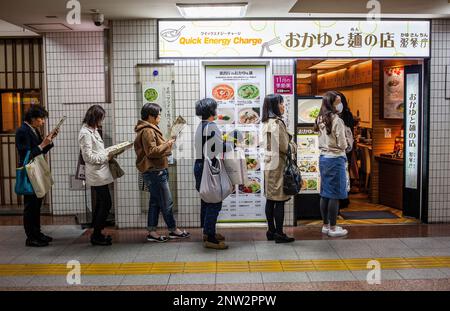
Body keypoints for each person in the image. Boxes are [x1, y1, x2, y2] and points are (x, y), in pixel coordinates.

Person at [134, 103, 190, 242]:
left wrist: (167, 143)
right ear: (150, 116)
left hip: (156, 171)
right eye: (158, 114)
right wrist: (168, 143)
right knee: (167, 202)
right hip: (155, 172)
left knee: (155, 203)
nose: (160, 117)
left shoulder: (150, 129)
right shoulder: (148, 131)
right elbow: (152, 152)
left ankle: (152, 232)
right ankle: (173, 230)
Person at [15, 105, 58, 247]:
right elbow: (26, 155)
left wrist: (49, 140)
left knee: (37, 203)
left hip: (37, 170)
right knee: (30, 205)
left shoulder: (33, 129)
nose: (43, 122)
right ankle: (31, 237)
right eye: (41, 119)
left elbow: (41, 150)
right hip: (30, 172)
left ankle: (37, 233)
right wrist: (42, 144)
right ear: (33, 119)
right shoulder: (22, 131)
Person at [194, 98, 233, 250]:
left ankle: (207, 232)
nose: (217, 111)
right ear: (212, 111)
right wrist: (233, 144)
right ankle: (210, 237)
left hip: (199, 165)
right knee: (214, 202)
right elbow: (217, 148)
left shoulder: (201, 125)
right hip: (208, 168)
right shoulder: (211, 126)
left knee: (206, 200)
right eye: (216, 108)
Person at [261, 94, 296, 243]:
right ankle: (280, 234)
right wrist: (294, 146)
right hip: (278, 166)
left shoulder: (266, 122)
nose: (283, 106)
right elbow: (285, 147)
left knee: (270, 199)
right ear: (275, 106)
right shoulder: (277, 123)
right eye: (281, 103)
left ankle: (271, 231)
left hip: (269, 164)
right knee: (280, 200)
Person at [314, 91, 349, 237]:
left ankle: (325, 225)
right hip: (335, 159)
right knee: (334, 194)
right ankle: (333, 228)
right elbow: (342, 144)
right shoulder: (337, 120)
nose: (340, 104)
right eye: (338, 101)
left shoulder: (320, 119)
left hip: (324, 158)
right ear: (332, 103)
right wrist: (346, 145)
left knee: (325, 193)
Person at [78, 105, 114, 246]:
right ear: (95, 117)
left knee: (101, 203)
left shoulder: (93, 130)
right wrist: (106, 157)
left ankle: (98, 234)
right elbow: (88, 157)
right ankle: (96, 235)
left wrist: (108, 152)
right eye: (101, 118)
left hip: (101, 172)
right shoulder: (85, 133)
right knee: (106, 203)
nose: (102, 121)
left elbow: (98, 150)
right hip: (96, 173)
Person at [335, 91, 355, 210]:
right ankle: (343, 198)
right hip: (346, 149)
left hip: (344, 149)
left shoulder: (344, 116)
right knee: (344, 174)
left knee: (343, 174)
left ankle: (343, 199)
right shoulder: (347, 115)